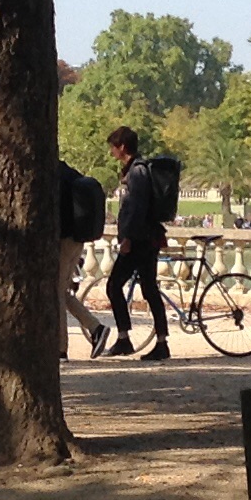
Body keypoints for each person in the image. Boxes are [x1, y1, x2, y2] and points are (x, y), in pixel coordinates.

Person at [104, 126, 170, 362]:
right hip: (146, 237)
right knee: (149, 289)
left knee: (114, 286)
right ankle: (161, 342)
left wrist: (127, 238)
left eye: (113, 146)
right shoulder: (138, 169)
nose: (111, 151)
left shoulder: (137, 172)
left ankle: (125, 338)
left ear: (122, 147)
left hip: (140, 239)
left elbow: (136, 208)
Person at [58, 159, 108, 358]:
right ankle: (96, 328)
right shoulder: (70, 173)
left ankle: (60, 349)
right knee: (61, 291)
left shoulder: (53, 175)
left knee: (56, 294)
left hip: (63, 240)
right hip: (77, 239)